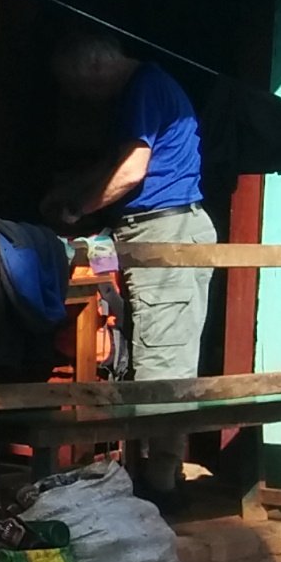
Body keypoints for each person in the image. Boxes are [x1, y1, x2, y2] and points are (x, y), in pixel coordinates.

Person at [42, 32, 213, 490]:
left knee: (162, 361)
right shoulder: (143, 92)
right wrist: (74, 193)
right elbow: (118, 163)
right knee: (162, 353)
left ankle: (156, 487)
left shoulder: (142, 88)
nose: (80, 98)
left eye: (78, 87)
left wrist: (80, 209)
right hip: (160, 229)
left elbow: (132, 171)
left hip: (165, 230)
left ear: (93, 69)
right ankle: (155, 476)